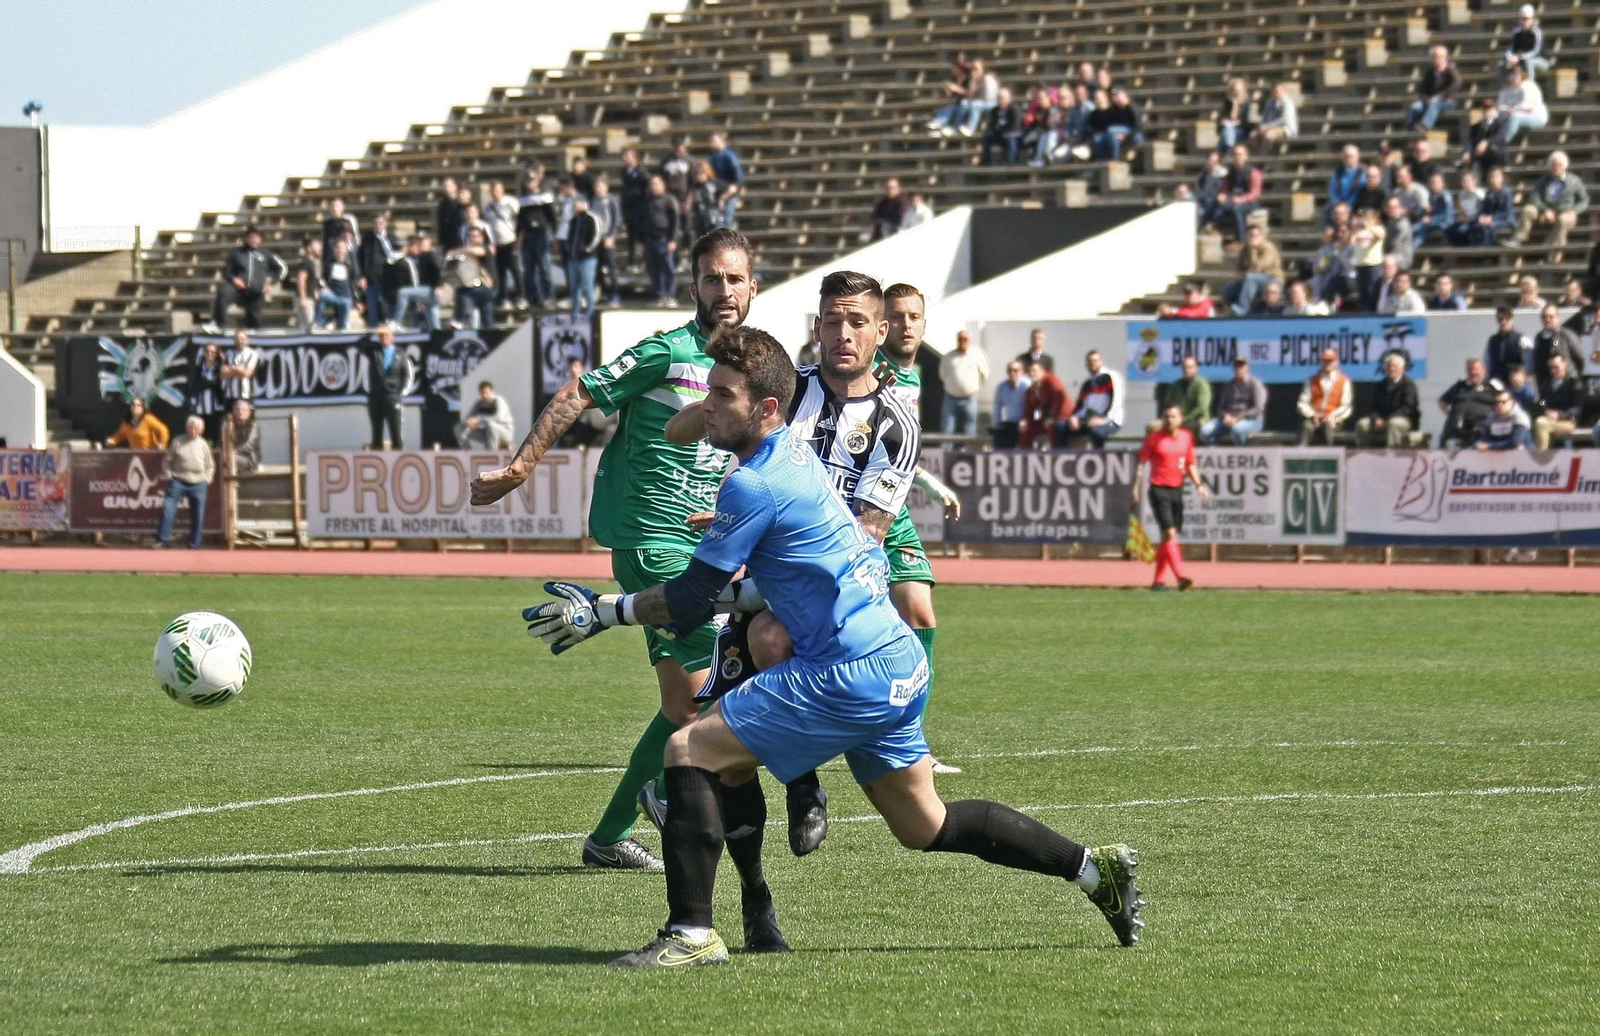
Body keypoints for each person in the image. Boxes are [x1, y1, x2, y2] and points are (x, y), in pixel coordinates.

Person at [523, 324, 1145, 967]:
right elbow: (767, 586)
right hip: (898, 662)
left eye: (724, 395)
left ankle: (691, 934)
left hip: (846, 671)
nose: (707, 406)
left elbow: (689, 599)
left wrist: (605, 611)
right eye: (708, 391)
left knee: (688, 748)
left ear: (767, 407)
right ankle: (1091, 868)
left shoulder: (752, 484)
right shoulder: (796, 455)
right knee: (924, 824)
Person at [471, 228, 757, 874]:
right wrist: (520, 468)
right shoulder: (667, 351)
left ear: (752, 287)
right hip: (653, 541)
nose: (724, 290)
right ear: (694, 287)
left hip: (701, 544)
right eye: (712, 278)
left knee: (685, 703)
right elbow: (580, 391)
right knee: (731, 671)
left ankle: (609, 837)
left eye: (734, 278)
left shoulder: (747, 365)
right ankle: (666, 794)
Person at [1133, 403, 1210, 592]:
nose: (1169, 420)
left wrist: (1199, 485)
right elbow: (1141, 463)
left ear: (1181, 419)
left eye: (1173, 416)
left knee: (1166, 538)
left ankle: (1158, 582)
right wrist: (1135, 487)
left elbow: (1189, 464)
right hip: (1159, 489)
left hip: (1176, 490)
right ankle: (1181, 578)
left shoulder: (1185, 438)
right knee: (1170, 534)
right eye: (1166, 416)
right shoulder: (1154, 439)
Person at [209, 226, 286, 332]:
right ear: (246, 238)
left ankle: (254, 331)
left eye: (256, 237)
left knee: (254, 318)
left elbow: (282, 268)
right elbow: (226, 271)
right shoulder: (237, 253)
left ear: (260, 239)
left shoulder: (266, 254)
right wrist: (234, 279)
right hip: (238, 289)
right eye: (251, 237)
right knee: (224, 291)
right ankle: (218, 324)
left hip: (256, 291)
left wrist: (272, 283)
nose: (254, 240)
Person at [154, 415, 213, 550]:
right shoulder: (178, 441)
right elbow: (167, 461)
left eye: (196, 428)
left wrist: (207, 478)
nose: (193, 430)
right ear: (187, 428)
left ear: (201, 430)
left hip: (199, 482)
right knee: (168, 508)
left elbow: (210, 465)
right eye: (190, 427)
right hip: (178, 480)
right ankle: (162, 540)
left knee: (198, 513)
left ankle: (194, 543)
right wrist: (169, 475)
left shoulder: (204, 444)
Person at [1515, 151, 1589, 252]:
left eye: (1559, 165)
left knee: (1563, 220)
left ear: (1565, 166)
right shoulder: (1543, 180)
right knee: (1528, 210)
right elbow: (1534, 196)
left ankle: (1549, 249)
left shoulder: (1574, 181)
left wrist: (1574, 210)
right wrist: (1545, 210)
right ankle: (1519, 239)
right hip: (1546, 212)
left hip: (1565, 212)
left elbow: (1584, 200)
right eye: (1554, 165)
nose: (1556, 167)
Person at [1356, 353, 1421, 448]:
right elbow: (1374, 407)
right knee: (1362, 424)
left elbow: (1407, 408)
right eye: (1389, 366)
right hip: (1381, 420)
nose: (1391, 369)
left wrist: (1387, 420)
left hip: (1403, 420)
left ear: (1402, 369)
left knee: (1393, 423)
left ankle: (1391, 453)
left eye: (1395, 366)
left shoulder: (1409, 385)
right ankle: (1364, 453)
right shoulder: (1380, 385)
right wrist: (1376, 419)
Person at [365, 324, 413, 450]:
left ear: (392, 337)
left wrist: (399, 395)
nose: (384, 338)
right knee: (376, 433)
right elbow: (360, 343)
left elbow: (407, 376)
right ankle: (377, 457)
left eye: (386, 335)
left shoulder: (401, 354)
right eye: (381, 336)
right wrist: (373, 331)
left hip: (392, 397)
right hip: (376, 398)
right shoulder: (374, 351)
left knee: (396, 432)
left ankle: (397, 457)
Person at [1198, 357, 1266, 444]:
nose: (1238, 369)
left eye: (1241, 366)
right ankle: (1216, 449)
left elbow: (1258, 409)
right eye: (1236, 366)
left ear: (1247, 367)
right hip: (1228, 420)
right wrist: (1225, 416)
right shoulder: (1229, 385)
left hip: (1251, 421)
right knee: (1204, 431)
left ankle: (1242, 450)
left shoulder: (1255, 384)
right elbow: (1220, 408)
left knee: (1237, 429)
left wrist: (1239, 417)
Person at [1063, 350, 1123, 448]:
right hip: (1088, 421)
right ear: (1086, 364)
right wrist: (1074, 417)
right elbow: (1080, 406)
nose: (1093, 364)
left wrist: (1104, 420)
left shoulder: (1111, 378)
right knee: (1061, 427)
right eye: (1090, 361)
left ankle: (1099, 457)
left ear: (1101, 362)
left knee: (1095, 432)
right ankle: (1061, 456)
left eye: (1095, 361)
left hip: (1109, 421)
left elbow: (1116, 402)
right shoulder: (1087, 383)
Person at [927, 57, 998, 137]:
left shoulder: (988, 79)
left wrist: (959, 89)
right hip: (975, 103)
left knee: (974, 105)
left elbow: (988, 98)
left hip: (990, 103)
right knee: (961, 105)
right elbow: (970, 95)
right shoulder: (972, 79)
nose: (974, 71)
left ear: (983, 70)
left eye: (976, 69)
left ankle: (970, 128)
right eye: (973, 69)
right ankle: (949, 127)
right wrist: (973, 82)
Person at [516, 170, 557, 308]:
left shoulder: (544, 197)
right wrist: (518, 235)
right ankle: (532, 297)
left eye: (532, 181)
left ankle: (549, 296)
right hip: (528, 235)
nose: (530, 184)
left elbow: (552, 217)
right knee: (529, 269)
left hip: (541, 233)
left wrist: (554, 234)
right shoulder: (523, 199)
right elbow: (520, 219)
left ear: (538, 182)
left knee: (544, 266)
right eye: (528, 181)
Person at [1438, 358, 1501, 447]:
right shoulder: (1459, 386)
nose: (1473, 372)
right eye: (1470, 369)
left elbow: (1505, 399)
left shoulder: (1492, 386)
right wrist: (1450, 414)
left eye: (1476, 369)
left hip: (1481, 433)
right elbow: (1442, 401)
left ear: (1484, 370)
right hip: (1455, 432)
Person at [1223, 224, 1283, 315]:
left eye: (1255, 235)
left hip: (1272, 279)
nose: (1252, 238)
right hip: (1252, 280)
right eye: (1250, 236)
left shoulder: (1268, 248)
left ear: (1262, 236)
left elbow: (1258, 267)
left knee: (1251, 277)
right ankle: (1231, 311)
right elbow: (1240, 267)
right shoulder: (1246, 249)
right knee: (1228, 289)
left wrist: (1253, 249)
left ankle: (1243, 309)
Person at [1297, 348, 1351, 445]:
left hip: (1333, 421)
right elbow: (1302, 403)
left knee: (1327, 426)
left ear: (1336, 362)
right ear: (1321, 362)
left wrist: (1333, 417)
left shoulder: (1344, 381)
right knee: (1306, 427)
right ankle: (1300, 452)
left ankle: (1329, 453)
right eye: (1325, 361)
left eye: (1330, 361)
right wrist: (1312, 415)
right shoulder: (1312, 380)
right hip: (1314, 419)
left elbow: (1346, 406)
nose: (1327, 364)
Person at [937, 330, 988, 435]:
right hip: (950, 397)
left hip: (970, 398)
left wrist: (973, 386)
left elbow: (984, 374)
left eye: (965, 339)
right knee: (947, 428)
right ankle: (946, 446)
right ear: (957, 340)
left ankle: (967, 447)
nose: (963, 341)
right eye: (960, 339)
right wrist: (953, 386)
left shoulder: (977, 355)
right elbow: (942, 374)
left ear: (970, 340)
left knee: (969, 429)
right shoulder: (948, 356)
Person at [389, 234, 443, 332]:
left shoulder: (433, 254)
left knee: (403, 292)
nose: (421, 243)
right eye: (420, 241)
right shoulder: (422, 256)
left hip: (434, 290)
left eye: (423, 241)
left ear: (430, 242)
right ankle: (436, 332)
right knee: (432, 314)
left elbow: (439, 270)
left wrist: (438, 286)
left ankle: (396, 322)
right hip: (426, 290)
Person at [445, 226, 496, 328]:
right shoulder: (468, 252)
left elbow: (474, 251)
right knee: (486, 313)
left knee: (464, 292)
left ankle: (460, 319)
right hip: (479, 285)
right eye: (470, 236)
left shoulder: (485, 248)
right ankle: (489, 329)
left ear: (482, 238)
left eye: (475, 236)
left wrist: (455, 251)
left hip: (488, 287)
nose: (472, 239)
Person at [1534, 352, 1586, 448]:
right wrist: (1545, 410)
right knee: (1538, 422)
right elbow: (1541, 401)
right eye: (1551, 368)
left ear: (1564, 364)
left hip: (1568, 421)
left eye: (1556, 367)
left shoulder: (1574, 383)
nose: (1553, 370)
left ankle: (1542, 454)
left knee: (1541, 423)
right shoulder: (1546, 383)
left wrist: (1559, 414)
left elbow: (1577, 409)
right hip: (1550, 419)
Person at [482, 183, 521, 309]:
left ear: (503, 190)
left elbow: (519, 220)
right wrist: (490, 242)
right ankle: (503, 297)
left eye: (498, 190)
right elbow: (486, 226)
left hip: (510, 239)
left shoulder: (511, 202)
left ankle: (521, 296)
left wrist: (518, 237)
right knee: (501, 272)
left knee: (515, 269)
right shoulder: (487, 207)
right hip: (496, 243)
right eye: (493, 191)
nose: (496, 193)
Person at [644, 174, 681, 305]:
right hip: (650, 238)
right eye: (652, 185)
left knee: (667, 267)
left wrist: (673, 239)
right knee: (654, 268)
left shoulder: (669, 200)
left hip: (664, 238)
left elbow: (675, 221)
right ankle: (658, 295)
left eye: (657, 184)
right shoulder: (648, 201)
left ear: (663, 185)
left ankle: (670, 295)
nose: (654, 187)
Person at [1148, 355, 1210, 433]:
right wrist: (1171, 417)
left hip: (1196, 419)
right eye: (1184, 367)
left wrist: (1184, 419)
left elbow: (1201, 408)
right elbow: (1170, 404)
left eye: (1190, 367)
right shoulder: (1175, 385)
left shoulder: (1202, 385)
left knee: (1185, 428)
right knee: (1152, 426)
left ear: (1196, 369)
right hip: (1174, 418)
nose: (1187, 370)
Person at [1214, 145, 1262, 244]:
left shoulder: (1253, 172)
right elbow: (1225, 189)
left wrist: (1242, 200)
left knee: (1237, 209)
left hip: (1250, 203)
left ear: (1246, 156)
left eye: (1240, 155)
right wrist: (1223, 195)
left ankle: (1240, 241)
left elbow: (1255, 193)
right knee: (1218, 206)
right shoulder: (1230, 172)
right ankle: (1216, 231)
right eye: (1235, 155)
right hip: (1233, 199)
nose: (1237, 157)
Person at [1407, 45, 1462, 131]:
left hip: (1447, 101)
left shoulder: (1450, 70)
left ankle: (1425, 127)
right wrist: (1425, 99)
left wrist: (1443, 95)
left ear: (1444, 58)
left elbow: (1457, 83)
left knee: (1435, 102)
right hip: (1431, 100)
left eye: (1438, 57)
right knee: (1415, 107)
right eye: (1434, 57)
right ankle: (1411, 131)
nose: (1435, 59)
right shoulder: (1430, 71)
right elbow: (1422, 88)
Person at [1017, 359, 1069, 449]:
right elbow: (1029, 408)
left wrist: (1053, 418)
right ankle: (1026, 454)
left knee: (1052, 427)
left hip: (1062, 416)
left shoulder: (1051, 380)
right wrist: (1025, 420)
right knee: (1025, 428)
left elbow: (1059, 400)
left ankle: (1055, 453)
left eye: (1034, 371)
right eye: (1030, 371)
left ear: (1042, 371)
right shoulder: (1032, 389)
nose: (1032, 373)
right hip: (1044, 418)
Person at [591, 177, 625, 307]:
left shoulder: (611, 200)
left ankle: (615, 294)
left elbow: (616, 219)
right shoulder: (592, 200)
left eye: (601, 186)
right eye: (596, 187)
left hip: (607, 238)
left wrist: (611, 236)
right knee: (597, 268)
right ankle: (603, 293)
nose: (598, 189)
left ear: (606, 187)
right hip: (596, 239)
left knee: (611, 268)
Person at [186, 341, 227, 444]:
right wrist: (210, 383)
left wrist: (206, 383)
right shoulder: (198, 368)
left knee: (215, 436)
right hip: (200, 407)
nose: (210, 354)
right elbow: (194, 385)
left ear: (217, 354)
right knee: (201, 436)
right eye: (208, 351)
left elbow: (221, 385)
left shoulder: (220, 367)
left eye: (213, 352)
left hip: (216, 407)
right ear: (204, 353)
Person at [1496, 65, 1547, 145]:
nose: (1513, 78)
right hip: (1512, 117)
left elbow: (1528, 107)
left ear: (1521, 76)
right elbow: (1500, 107)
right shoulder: (1506, 89)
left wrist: (1513, 110)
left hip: (1536, 116)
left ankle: (1503, 142)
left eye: (1516, 76)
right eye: (1511, 76)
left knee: (1515, 117)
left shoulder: (1529, 86)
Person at [456, 380, 514, 450]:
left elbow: (499, 418)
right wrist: (470, 422)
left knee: (491, 425)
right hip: (487, 433)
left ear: (492, 391)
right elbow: (469, 417)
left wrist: (479, 420)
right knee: (459, 428)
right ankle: (467, 452)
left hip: (504, 433)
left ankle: (492, 453)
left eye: (486, 392)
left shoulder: (498, 401)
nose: (484, 395)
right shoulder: (479, 404)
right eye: (482, 393)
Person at [1532, 302, 1585, 378]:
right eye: (1544, 317)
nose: (1547, 319)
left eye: (1551, 317)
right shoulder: (1538, 337)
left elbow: (1579, 357)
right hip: (1545, 380)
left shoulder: (1566, 335)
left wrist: (1574, 375)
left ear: (1557, 317)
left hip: (1566, 380)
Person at [316, 237, 358, 331]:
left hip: (346, 297)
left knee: (342, 325)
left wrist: (357, 300)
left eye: (342, 248)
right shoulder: (329, 264)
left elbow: (353, 283)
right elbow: (322, 278)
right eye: (338, 247)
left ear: (346, 249)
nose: (340, 250)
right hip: (334, 295)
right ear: (334, 249)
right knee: (322, 295)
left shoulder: (349, 265)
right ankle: (320, 322)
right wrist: (324, 287)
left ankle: (340, 325)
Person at [1090, 87, 1143, 161]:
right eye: (1114, 96)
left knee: (1111, 131)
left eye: (1118, 95)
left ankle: (1116, 160)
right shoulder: (1115, 109)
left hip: (1133, 135)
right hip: (1117, 134)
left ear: (1124, 95)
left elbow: (1138, 128)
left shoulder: (1132, 108)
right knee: (1098, 139)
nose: (1116, 98)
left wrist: (1125, 136)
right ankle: (1105, 161)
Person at [1485, 306, 1533, 384]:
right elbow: (1488, 364)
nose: (1504, 322)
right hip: (1497, 384)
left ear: (1512, 319)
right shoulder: (1492, 341)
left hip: (1516, 384)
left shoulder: (1522, 340)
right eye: (1501, 319)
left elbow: (1529, 366)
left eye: (1507, 319)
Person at [1504, 4, 1550, 80]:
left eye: (1527, 19)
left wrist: (1519, 57)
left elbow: (1536, 51)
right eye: (1522, 19)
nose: (1524, 21)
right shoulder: (1516, 32)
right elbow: (1510, 49)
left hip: (1541, 60)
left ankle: (1530, 85)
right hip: (1521, 59)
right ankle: (1505, 86)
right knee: (1502, 64)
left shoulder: (1537, 32)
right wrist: (1509, 57)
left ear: (1532, 19)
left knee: (1529, 63)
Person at [991, 360, 1031, 448]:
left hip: (1025, 421)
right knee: (998, 434)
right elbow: (997, 407)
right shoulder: (1002, 387)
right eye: (1010, 370)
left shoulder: (1027, 385)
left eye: (1016, 370)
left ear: (1022, 372)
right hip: (1010, 422)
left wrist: (1026, 419)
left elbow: (1033, 405)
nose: (1012, 373)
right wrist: (997, 424)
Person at [105, 397, 169, 450]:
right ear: (130, 408)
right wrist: (112, 441)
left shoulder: (148, 418)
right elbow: (119, 435)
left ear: (143, 408)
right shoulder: (126, 422)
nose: (135, 407)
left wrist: (162, 444)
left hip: (150, 454)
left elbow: (163, 430)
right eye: (133, 405)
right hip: (136, 454)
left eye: (138, 405)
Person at [980, 88, 1024, 165]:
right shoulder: (995, 110)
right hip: (1000, 134)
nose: (1001, 101)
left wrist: (1001, 128)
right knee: (987, 137)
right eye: (999, 98)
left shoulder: (1015, 109)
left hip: (1012, 135)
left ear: (1009, 99)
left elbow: (1015, 125)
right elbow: (992, 125)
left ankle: (1010, 163)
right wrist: (999, 129)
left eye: (1004, 98)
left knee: (1011, 138)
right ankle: (986, 162)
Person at [221, 329, 259, 407]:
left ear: (247, 340)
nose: (240, 341)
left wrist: (231, 369)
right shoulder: (229, 354)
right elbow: (223, 374)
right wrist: (238, 369)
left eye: (242, 339)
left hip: (245, 395)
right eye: (237, 339)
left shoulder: (252, 354)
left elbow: (247, 373)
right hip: (230, 395)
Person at [293, 237, 324, 332]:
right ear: (309, 248)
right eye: (316, 245)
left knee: (309, 326)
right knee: (307, 328)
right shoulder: (306, 262)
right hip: (305, 298)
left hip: (310, 297)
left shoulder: (313, 263)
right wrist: (303, 298)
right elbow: (301, 280)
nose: (319, 247)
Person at [1215, 78, 1254, 153]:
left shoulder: (1249, 103)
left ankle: (1226, 151)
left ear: (1244, 90)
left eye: (1239, 90)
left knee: (1227, 132)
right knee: (1227, 130)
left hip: (1244, 131)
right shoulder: (1228, 102)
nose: (1237, 93)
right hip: (1229, 130)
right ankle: (1229, 149)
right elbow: (1223, 119)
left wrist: (1239, 123)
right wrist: (1235, 104)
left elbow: (1251, 122)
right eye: (1235, 90)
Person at [1415, 173, 1454, 247]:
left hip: (1443, 223)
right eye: (1432, 183)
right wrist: (1426, 210)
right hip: (1434, 222)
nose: (1434, 185)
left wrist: (1431, 219)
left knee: (1418, 227)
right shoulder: (1433, 196)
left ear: (1443, 184)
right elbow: (1427, 210)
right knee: (1415, 228)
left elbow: (1447, 215)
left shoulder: (1445, 196)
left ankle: (1412, 249)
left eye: (1436, 182)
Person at [1325, 145, 1363, 223]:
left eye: (1351, 156)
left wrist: (1347, 205)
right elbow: (1332, 189)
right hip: (1339, 202)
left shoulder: (1363, 172)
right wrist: (1337, 203)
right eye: (1346, 157)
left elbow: (1361, 191)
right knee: (1328, 209)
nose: (1349, 159)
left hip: (1356, 204)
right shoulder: (1338, 172)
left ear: (1357, 157)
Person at [1252, 82, 1298, 146]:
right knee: (1253, 135)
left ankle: (1263, 152)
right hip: (1270, 127)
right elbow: (1265, 117)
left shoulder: (1287, 103)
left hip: (1285, 129)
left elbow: (1283, 120)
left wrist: (1267, 127)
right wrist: (1262, 126)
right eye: (1274, 91)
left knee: (1268, 136)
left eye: (1278, 91)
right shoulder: (1269, 102)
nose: (1276, 93)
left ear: (1283, 91)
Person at [227, 399, 261, 476]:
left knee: (231, 458)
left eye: (243, 410)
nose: (240, 412)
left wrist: (232, 452)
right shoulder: (229, 426)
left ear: (249, 412)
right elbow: (222, 443)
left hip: (249, 459)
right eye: (237, 410)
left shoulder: (254, 427)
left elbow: (249, 445)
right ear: (233, 412)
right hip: (231, 455)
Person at [434, 177, 464, 259]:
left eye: (449, 186)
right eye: (445, 186)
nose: (446, 188)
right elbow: (441, 225)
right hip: (448, 241)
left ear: (455, 186)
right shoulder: (442, 205)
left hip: (461, 240)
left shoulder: (461, 202)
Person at [1382, 196, 1415, 271]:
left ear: (1400, 208)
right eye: (1389, 207)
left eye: (1395, 207)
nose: (1392, 210)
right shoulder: (1387, 223)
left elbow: (1394, 243)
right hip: (1389, 255)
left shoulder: (1402, 223)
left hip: (1401, 257)